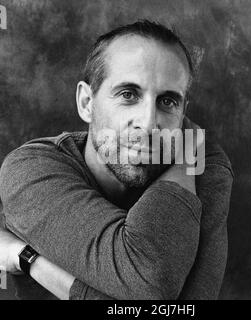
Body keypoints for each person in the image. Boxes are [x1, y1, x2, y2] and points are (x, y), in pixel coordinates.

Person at [0, 20, 233, 300]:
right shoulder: (30, 170)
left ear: (183, 114)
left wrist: (28, 259)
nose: (148, 124)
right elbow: (151, 289)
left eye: (168, 102)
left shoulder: (202, 161)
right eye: (128, 94)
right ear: (87, 103)